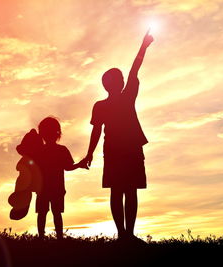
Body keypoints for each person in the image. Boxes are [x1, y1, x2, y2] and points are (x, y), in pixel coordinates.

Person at [83, 30, 154, 240]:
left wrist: (143, 47)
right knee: (121, 190)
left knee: (127, 190)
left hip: (127, 149)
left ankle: (127, 235)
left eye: (122, 78)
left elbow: (134, 70)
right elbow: (96, 130)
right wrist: (89, 154)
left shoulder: (122, 98)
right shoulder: (103, 105)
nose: (124, 79)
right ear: (110, 84)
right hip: (118, 150)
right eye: (119, 78)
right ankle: (124, 235)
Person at [36, 116, 88, 240]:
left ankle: (42, 238)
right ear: (58, 133)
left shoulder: (40, 151)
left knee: (45, 213)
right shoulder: (59, 150)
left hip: (48, 188)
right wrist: (80, 164)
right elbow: (68, 167)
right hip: (54, 188)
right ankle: (57, 238)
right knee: (54, 213)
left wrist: (80, 164)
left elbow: (67, 167)